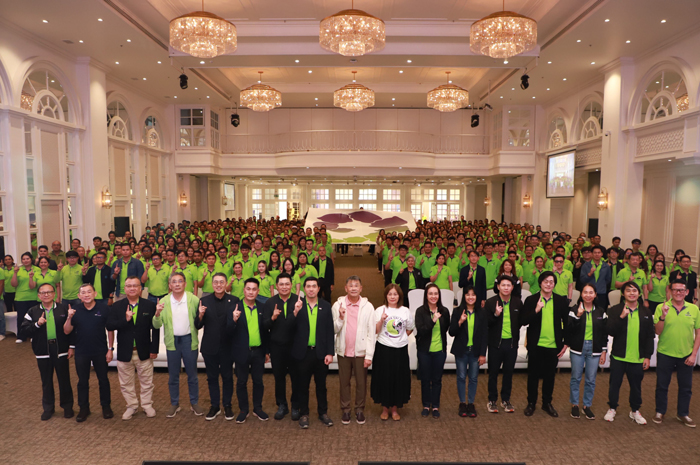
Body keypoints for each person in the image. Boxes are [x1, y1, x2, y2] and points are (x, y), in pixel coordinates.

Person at [107, 276, 159, 420]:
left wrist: (154, 349)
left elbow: (155, 328)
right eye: (129, 286)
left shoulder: (149, 305)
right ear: (124, 288)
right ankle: (132, 406)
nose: (132, 288)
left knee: (147, 382)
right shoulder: (117, 306)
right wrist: (125, 320)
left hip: (144, 350)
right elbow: (110, 325)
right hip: (124, 351)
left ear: (140, 288)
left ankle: (147, 405)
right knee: (126, 383)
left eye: (135, 285)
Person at [152, 272, 203, 418]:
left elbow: (199, 321)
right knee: (173, 375)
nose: (177, 284)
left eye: (180, 281)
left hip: (189, 341)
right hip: (172, 342)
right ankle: (175, 404)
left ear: (185, 284)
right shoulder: (164, 301)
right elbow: (156, 325)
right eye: (174, 282)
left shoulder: (193, 299)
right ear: (170, 285)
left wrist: (201, 315)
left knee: (192, 375)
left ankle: (194, 403)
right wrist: (157, 313)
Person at [20, 283, 74, 420]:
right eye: (43, 293)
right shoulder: (32, 311)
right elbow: (24, 330)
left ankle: (67, 407)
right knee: (46, 381)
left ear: (54, 294)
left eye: (49, 292)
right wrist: (37, 324)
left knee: (64, 380)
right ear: (38, 296)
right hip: (42, 350)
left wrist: (71, 346)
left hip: (61, 349)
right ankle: (48, 408)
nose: (46, 295)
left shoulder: (63, 308)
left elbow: (72, 330)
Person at [604, 282, 655, 425]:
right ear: (623, 293)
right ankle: (612, 408)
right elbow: (610, 331)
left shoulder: (646, 312)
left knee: (636, 387)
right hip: (619, 356)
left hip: (637, 358)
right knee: (614, 385)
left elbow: (650, 336)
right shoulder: (615, 310)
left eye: (634, 290)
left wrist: (647, 356)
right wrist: (621, 317)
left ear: (639, 293)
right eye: (628, 290)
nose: (632, 293)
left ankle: (635, 410)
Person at [63, 284, 114, 422]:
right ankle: (84, 408)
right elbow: (67, 331)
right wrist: (69, 317)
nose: (86, 295)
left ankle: (106, 407)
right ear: (79, 296)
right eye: (83, 293)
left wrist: (110, 349)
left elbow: (110, 330)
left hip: (100, 350)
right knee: (82, 381)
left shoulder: (104, 309)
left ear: (95, 294)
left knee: (103, 380)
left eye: (89, 292)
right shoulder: (75, 310)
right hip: (82, 351)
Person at [521, 271, 569, 417]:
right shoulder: (531, 300)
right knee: (533, 376)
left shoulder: (560, 301)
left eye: (551, 282)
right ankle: (531, 403)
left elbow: (567, 323)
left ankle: (547, 403)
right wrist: (536, 310)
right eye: (546, 281)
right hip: (535, 345)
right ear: (540, 283)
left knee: (550, 377)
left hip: (553, 346)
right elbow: (523, 321)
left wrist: (566, 343)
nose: (548, 284)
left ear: (554, 284)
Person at [653, 279, 700, 427]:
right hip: (665, 352)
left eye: (681, 290)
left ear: (687, 292)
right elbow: (657, 331)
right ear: (670, 291)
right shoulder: (661, 307)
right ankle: (660, 411)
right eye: (675, 290)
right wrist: (663, 316)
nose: (678, 292)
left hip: (686, 354)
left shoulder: (694, 309)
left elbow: (698, 333)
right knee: (662, 385)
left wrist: (694, 354)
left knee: (686, 387)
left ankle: (683, 413)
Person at [331, 276, 376, 425]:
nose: (353, 288)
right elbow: (333, 329)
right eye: (351, 286)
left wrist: (369, 355)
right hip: (343, 351)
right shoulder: (337, 305)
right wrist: (340, 318)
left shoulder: (368, 307)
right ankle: (345, 409)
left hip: (361, 352)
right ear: (346, 288)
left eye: (356, 285)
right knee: (344, 382)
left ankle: (359, 409)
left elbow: (371, 333)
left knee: (361, 383)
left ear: (361, 289)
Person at [291, 277, 334, 428]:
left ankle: (323, 413)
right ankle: (304, 414)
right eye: (308, 286)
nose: (311, 289)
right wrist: (295, 312)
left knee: (321, 386)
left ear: (318, 288)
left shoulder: (326, 306)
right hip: (303, 353)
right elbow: (289, 328)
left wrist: (330, 352)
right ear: (304, 289)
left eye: (313, 286)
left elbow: (329, 330)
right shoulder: (297, 305)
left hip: (321, 353)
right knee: (302, 385)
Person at [195, 272, 238, 421]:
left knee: (227, 377)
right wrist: (200, 315)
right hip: (210, 346)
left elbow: (236, 326)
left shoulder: (234, 300)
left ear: (226, 284)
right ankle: (214, 406)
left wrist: (235, 320)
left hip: (228, 346)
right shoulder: (204, 300)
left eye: (221, 282)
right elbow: (197, 325)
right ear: (212, 284)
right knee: (212, 378)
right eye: (216, 282)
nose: (218, 285)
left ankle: (227, 405)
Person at [371, 284, 414, 421]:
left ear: (399, 296)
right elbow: (375, 331)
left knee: (398, 379)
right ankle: (385, 408)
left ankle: (395, 409)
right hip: (384, 349)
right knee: (384, 379)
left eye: (395, 294)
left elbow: (410, 328)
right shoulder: (380, 310)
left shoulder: (405, 311)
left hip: (400, 350)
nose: (392, 297)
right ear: (386, 296)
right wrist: (381, 320)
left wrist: (400, 338)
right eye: (390, 294)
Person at [230, 278, 269, 422]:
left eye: (254, 289)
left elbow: (265, 331)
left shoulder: (262, 307)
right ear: (244, 290)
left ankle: (258, 408)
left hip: (258, 351)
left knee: (258, 381)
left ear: (258, 291)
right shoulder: (235, 307)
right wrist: (233, 320)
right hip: (241, 351)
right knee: (241, 381)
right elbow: (228, 331)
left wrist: (266, 351)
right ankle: (243, 409)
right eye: (248, 289)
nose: (251, 292)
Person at [566, 283, 608, 420]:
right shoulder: (574, 309)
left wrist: (604, 351)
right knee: (576, 378)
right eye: (585, 292)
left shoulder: (601, 312)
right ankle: (574, 405)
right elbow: (569, 330)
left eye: (591, 292)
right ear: (581, 294)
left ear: (595, 295)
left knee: (591, 379)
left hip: (595, 349)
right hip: (578, 348)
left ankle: (586, 406)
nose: (588, 295)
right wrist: (578, 316)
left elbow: (604, 333)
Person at [263, 272, 301, 421]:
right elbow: (264, 326)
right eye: (281, 284)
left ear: (291, 285)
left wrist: (297, 312)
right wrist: (272, 318)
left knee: (296, 378)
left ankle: (296, 405)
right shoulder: (270, 302)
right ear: (277, 286)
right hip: (277, 347)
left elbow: (304, 326)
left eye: (287, 284)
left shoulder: (299, 301)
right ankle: (282, 405)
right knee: (279, 378)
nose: (284, 287)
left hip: (295, 347)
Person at [485, 275, 522, 413]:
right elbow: (486, 323)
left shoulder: (517, 302)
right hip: (496, 344)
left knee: (508, 373)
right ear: (498, 287)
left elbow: (521, 321)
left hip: (511, 344)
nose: (506, 288)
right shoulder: (490, 302)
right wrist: (496, 314)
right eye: (503, 285)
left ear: (512, 287)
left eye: (508, 285)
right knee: (493, 373)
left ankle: (506, 400)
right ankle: (492, 400)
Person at [450, 286, 487, 418]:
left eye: (473, 295)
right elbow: (451, 332)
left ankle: (471, 403)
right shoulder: (457, 311)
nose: (470, 297)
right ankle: (462, 403)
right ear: (464, 296)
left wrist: (483, 354)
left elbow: (484, 335)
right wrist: (460, 321)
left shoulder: (482, 313)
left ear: (476, 297)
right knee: (461, 377)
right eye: (468, 294)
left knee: (473, 378)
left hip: (475, 352)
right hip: (461, 351)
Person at [415, 283, 450, 419]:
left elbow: (446, 328)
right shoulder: (420, 311)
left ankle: (435, 406)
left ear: (439, 296)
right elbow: (421, 331)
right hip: (424, 351)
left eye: (436, 294)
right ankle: (426, 405)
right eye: (430, 293)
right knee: (425, 379)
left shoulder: (444, 311)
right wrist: (433, 320)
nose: (433, 296)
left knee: (437, 380)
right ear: (426, 296)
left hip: (439, 351)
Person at [11, 252, 40, 343]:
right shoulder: (18, 269)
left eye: (27, 258)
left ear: (31, 259)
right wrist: (15, 273)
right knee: (21, 318)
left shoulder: (37, 269)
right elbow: (13, 284)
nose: (25, 260)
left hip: (33, 297)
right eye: (23, 259)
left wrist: (31, 277)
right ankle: (21, 336)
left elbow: (33, 286)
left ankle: (33, 336)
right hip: (20, 298)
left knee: (34, 318)